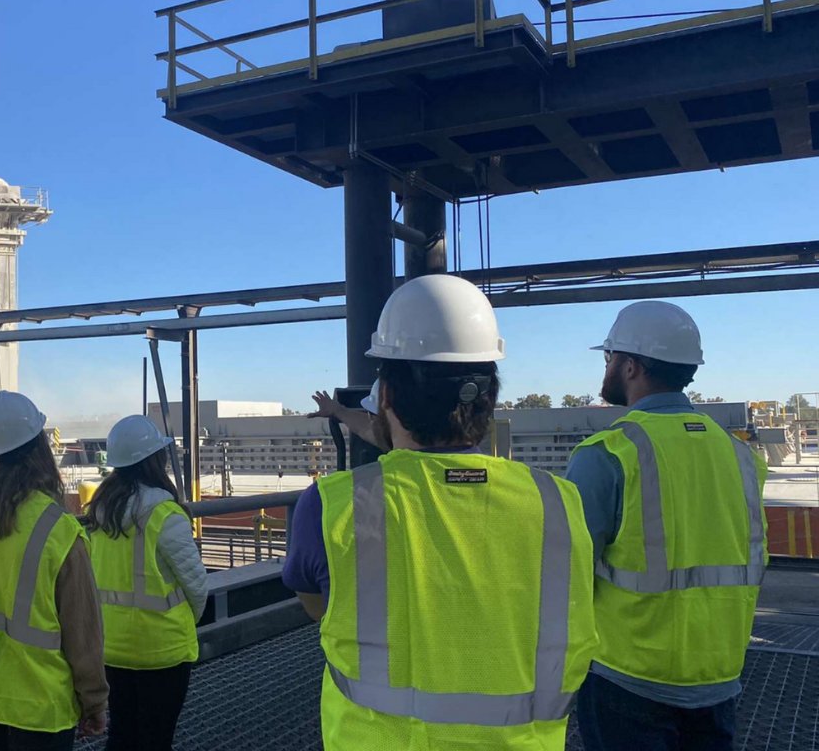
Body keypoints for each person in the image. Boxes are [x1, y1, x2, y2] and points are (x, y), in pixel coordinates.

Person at [282, 274, 597, 750]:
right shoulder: (558, 501)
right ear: (489, 396)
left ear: (385, 396)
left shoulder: (330, 506)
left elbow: (321, 610)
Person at [567, 302, 767, 751]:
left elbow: (566, 575)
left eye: (610, 357)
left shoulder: (609, 453)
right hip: (719, 677)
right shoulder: (739, 457)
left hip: (629, 680)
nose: (607, 367)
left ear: (631, 365)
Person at [0, 391, 107, 750]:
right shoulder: (57, 529)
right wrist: (94, 701)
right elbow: (83, 633)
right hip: (39, 707)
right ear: (39, 451)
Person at [84, 415, 208, 751]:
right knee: (156, 738)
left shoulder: (100, 510)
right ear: (154, 459)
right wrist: (184, 622)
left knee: (122, 734)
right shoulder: (164, 513)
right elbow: (197, 586)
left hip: (112, 647)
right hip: (162, 650)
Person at [307, 380, 390, 450]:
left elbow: (370, 429)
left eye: (372, 413)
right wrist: (338, 410)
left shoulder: (381, 468)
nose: (370, 419)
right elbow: (367, 428)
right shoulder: (393, 440)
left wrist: (338, 410)